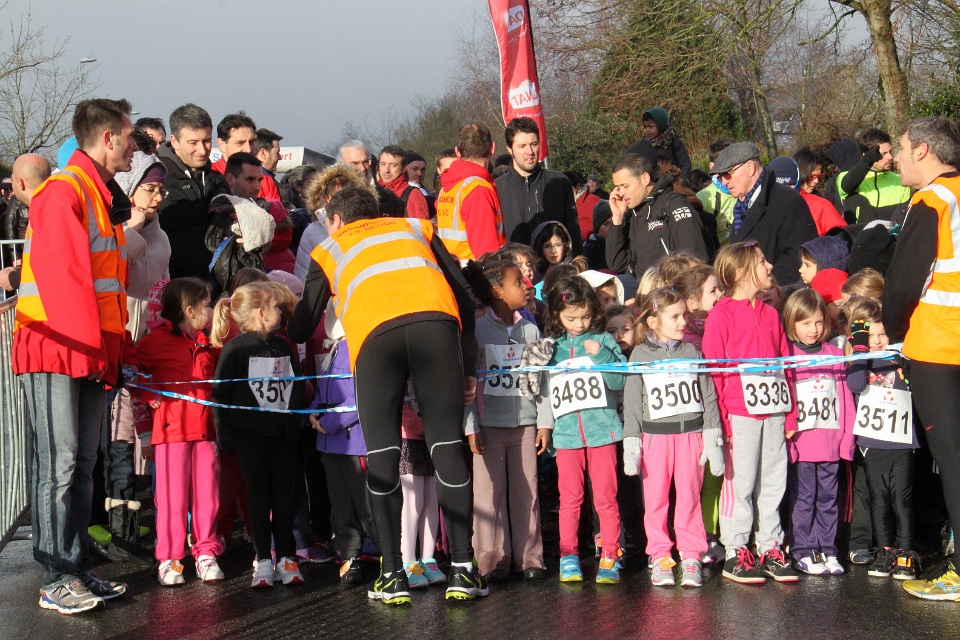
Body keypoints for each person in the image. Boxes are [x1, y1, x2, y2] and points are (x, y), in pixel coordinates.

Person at [286, 187, 485, 605]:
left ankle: (392, 575)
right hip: (436, 326)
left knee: (383, 457)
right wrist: (468, 366)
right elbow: (465, 299)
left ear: (336, 221)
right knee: (447, 448)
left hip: (376, 337)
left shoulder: (330, 247)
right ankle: (463, 570)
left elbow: (303, 326)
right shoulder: (415, 227)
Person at [14, 97, 136, 614]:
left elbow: (101, 289)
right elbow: (65, 283)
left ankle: (74, 565)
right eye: (130, 135)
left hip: (81, 348)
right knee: (61, 463)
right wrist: (97, 352)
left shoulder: (93, 194)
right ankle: (56, 574)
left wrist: (110, 352)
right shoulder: (66, 191)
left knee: (81, 463)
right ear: (108, 138)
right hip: (56, 346)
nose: (135, 146)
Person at [882, 116, 960, 600]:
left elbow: (902, 284)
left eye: (901, 148)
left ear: (924, 151)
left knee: (952, 461)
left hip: (938, 346)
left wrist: (895, 336)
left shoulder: (931, 199)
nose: (895, 158)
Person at [702, 242, 799, 585]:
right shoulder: (721, 315)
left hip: (774, 411)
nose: (770, 265)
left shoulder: (771, 314)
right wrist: (721, 421)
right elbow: (714, 372)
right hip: (739, 414)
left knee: (773, 480)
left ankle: (771, 546)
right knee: (739, 483)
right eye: (761, 262)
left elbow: (785, 365)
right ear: (741, 273)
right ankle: (735, 549)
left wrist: (791, 413)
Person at [521, 276, 626, 584]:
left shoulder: (603, 340)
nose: (579, 325)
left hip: (602, 432)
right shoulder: (550, 348)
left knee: (606, 498)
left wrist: (602, 356)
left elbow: (619, 381)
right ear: (557, 315)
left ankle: (611, 553)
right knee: (570, 499)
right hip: (567, 436)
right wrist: (546, 426)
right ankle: (568, 554)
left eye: (585, 317)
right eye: (571, 318)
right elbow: (540, 390)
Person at [623, 287, 723, 587]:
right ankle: (660, 555)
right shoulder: (640, 355)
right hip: (656, 440)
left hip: (691, 437)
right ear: (653, 322)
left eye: (684, 316)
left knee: (690, 497)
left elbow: (708, 393)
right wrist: (632, 441)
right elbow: (632, 400)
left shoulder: (692, 352)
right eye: (675, 317)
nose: (683, 322)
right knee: (655, 501)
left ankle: (691, 554)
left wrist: (712, 433)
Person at [212, 282, 307, 588]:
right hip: (249, 437)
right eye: (276, 307)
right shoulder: (235, 350)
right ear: (261, 313)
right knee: (259, 497)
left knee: (283, 496)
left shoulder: (283, 347)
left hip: (282, 436)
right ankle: (264, 558)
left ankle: (287, 557)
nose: (281, 312)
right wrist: (224, 432)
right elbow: (220, 395)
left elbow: (296, 385)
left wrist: (295, 421)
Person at [101, 150, 171, 565]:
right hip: (117, 339)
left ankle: (139, 524)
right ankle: (119, 532)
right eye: (150, 189)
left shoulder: (161, 235)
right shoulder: (113, 232)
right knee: (118, 438)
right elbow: (116, 266)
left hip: (148, 344)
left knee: (143, 436)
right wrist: (133, 226)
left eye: (161, 190)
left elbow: (158, 284)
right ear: (129, 190)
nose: (157, 197)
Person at [463, 259, 550, 582]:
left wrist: (544, 422)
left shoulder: (531, 330)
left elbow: (542, 379)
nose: (527, 286)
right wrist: (470, 426)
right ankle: (491, 559)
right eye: (518, 282)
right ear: (497, 291)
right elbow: (468, 383)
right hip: (488, 427)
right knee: (489, 496)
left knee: (528, 493)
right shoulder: (478, 331)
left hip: (525, 424)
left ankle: (530, 558)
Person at [133, 278, 224, 585]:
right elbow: (132, 370)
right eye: (206, 305)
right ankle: (170, 557)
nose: (210, 310)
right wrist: (150, 395)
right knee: (171, 498)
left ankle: (206, 551)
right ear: (189, 310)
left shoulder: (209, 341)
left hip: (205, 431)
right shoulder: (156, 341)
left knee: (208, 495)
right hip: (171, 432)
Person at [844, 297, 920, 580]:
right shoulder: (862, 361)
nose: (877, 341)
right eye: (870, 335)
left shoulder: (900, 358)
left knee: (902, 499)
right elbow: (855, 384)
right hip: (873, 443)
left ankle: (905, 552)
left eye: (882, 334)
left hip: (902, 443)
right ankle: (885, 550)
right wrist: (859, 349)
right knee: (879, 499)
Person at [782, 288, 855, 576]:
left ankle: (827, 549)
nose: (813, 329)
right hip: (801, 445)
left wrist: (846, 441)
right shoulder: (786, 355)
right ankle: (802, 549)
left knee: (828, 501)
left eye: (818, 322)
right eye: (805, 323)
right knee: (803, 500)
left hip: (830, 444)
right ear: (791, 323)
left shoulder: (834, 355)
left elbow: (845, 401)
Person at [307, 305, 376, 586]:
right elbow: (323, 389)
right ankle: (350, 555)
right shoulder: (335, 348)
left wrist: (329, 421)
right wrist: (313, 412)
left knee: (365, 503)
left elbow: (360, 396)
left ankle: (385, 551)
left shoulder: (358, 347)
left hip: (352, 442)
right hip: (330, 441)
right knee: (340, 503)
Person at [710, 142, 817, 285]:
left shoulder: (787, 200)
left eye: (727, 174)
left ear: (750, 168)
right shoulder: (742, 204)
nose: (724, 182)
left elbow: (797, 258)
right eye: (720, 176)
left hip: (774, 294)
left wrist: (759, 286)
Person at [157, 103, 230, 279]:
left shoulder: (218, 181)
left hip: (214, 284)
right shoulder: (157, 179)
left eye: (206, 141)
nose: (202, 150)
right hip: (173, 284)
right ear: (174, 141)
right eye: (193, 143)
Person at [606, 153, 709, 276]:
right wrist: (617, 219)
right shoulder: (631, 214)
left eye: (625, 186)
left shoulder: (675, 205)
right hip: (643, 287)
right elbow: (617, 264)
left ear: (645, 178)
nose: (621, 193)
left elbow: (695, 262)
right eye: (617, 187)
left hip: (671, 287)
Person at [495, 117, 582, 253]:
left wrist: (576, 262)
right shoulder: (497, 189)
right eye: (522, 146)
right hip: (513, 265)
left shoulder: (559, 183)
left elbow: (573, 233)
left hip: (554, 265)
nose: (530, 151)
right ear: (510, 149)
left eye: (534, 144)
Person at [436, 121, 505, 262]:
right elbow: (486, 253)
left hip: (454, 268)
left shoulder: (447, 187)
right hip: (475, 271)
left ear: (457, 152)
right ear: (492, 148)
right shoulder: (478, 189)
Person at [837, 128, 913, 224]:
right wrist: (866, 161)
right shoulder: (845, 177)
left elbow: (903, 217)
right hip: (859, 233)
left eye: (890, 152)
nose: (890, 157)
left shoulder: (900, 181)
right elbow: (846, 186)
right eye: (883, 154)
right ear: (865, 155)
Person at [0, 153, 52, 292]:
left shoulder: (52, 209)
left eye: (12, 180)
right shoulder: (56, 205)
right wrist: (16, 258)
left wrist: (14, 278)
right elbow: (10, 228)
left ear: (20, 183)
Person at [626, 107, 692, 180]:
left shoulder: (674, 141)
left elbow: (685, 164)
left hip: (675, 179)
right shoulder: (644, 144)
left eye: (651, 127)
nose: (647, 130)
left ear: (660, 125)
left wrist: (682, 181)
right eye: (645, 127)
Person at [793, 147, 847, 236]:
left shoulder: (821, 205)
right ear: (801, 173)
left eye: (818, 176)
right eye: (812, 176)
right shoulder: (820, 205)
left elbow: (842, 237)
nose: (816, 181)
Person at [696, 139, 737, 246]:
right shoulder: (703, 198)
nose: (730, 169)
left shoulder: (750, 189)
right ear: (712, 167)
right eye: (724, 165)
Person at [377, 145, 430, 219]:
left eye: (393, 165)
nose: (386, 170)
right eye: (383, 164)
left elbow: (421, 225)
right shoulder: (373, 192)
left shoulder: (413, 194)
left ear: (403, 168)